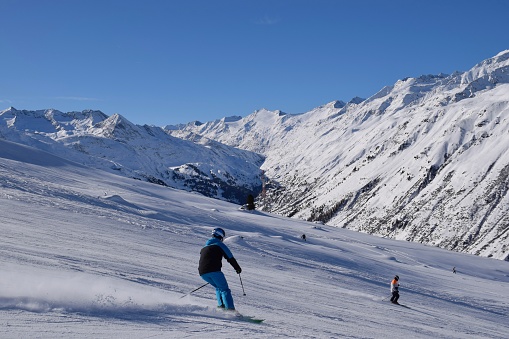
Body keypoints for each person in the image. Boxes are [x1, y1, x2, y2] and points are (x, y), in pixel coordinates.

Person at [198, 227, 242, 311]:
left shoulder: (204, 248)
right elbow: (230, 257)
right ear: (221, 237)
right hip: (214, 271)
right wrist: (237, 268)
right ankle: (230, 310)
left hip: (203, 273)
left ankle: (221, 307)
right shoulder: (219, 245)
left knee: (219, 287)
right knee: (225, 289)